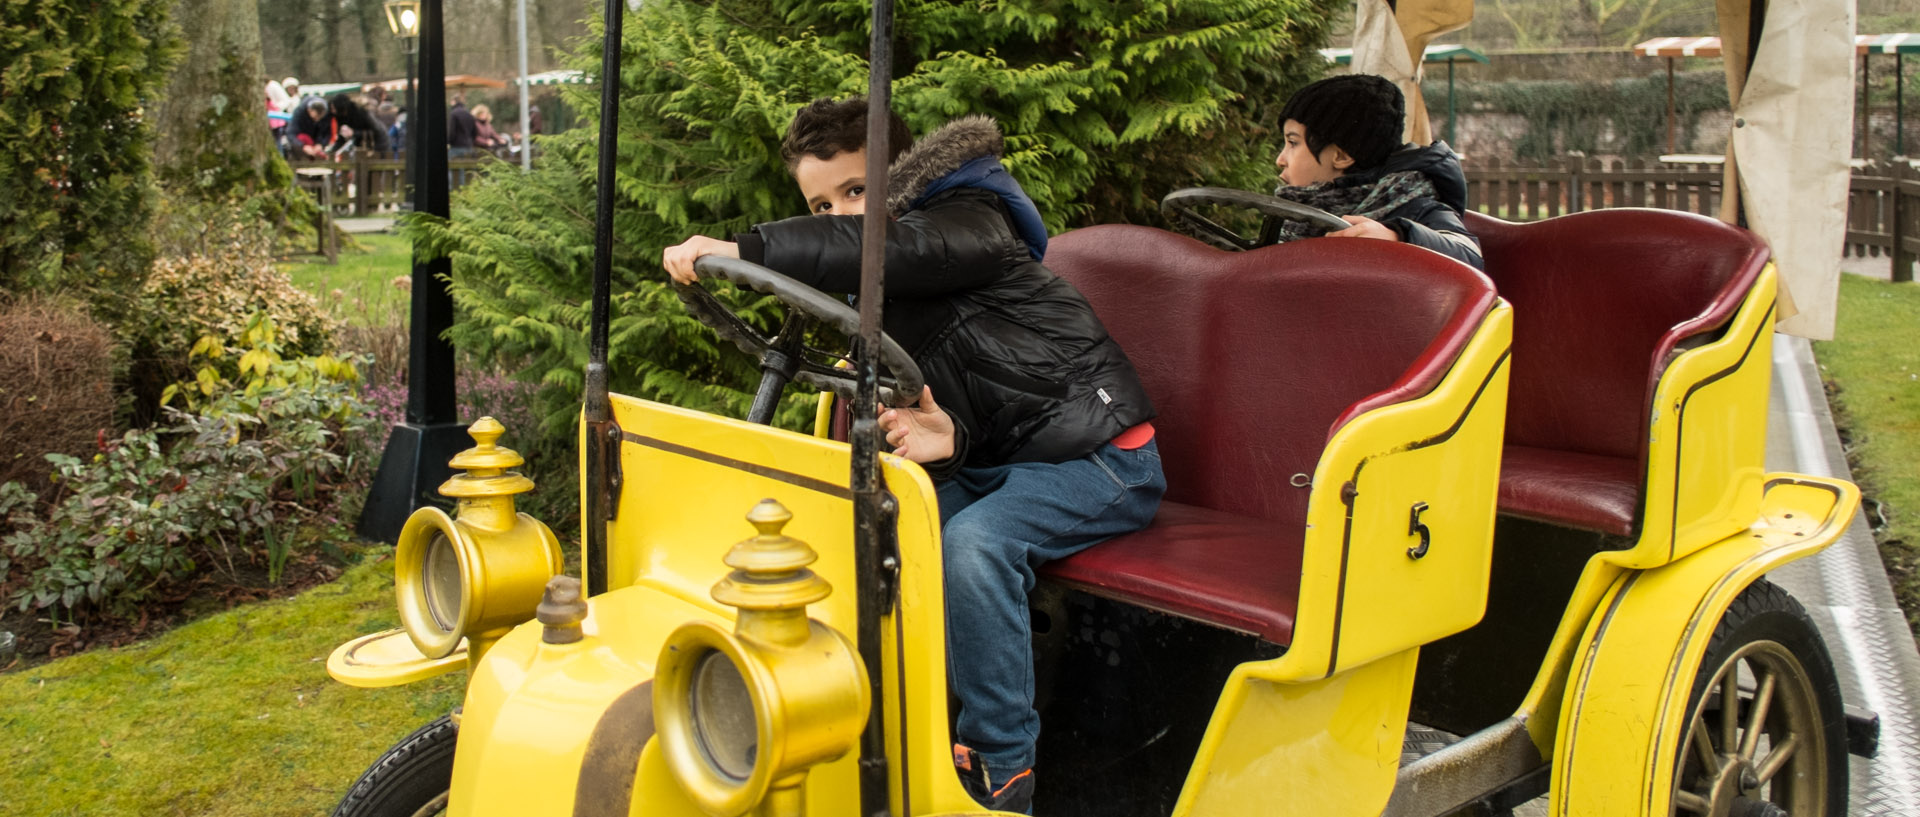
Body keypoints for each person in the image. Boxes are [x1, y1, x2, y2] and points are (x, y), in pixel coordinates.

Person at [662, 98, 1165, 815]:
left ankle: (1001, 765)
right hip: (1010, 457)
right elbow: (989, 390)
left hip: (1104, 458)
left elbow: (903, 248)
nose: (841, 215)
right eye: (821, 202)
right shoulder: (879, 280)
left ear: (898, 178)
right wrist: (951, 437)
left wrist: (752, 248)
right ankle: (873, 721)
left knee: (972, 544)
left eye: (856, 191)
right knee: (875, 529)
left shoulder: (972, 222)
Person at [1267, 74, 1483, 270]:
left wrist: (1398, 237)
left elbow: (1469, 255)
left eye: (1293, 143)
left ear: (1341, 156)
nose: (1280, 160)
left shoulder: (1415, 206)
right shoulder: (1295, 217)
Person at [448, 94, 478, 158]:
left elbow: (452, 132)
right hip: (468, 146)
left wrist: (449, 142)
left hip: (456, 146)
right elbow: (475, 132)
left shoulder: (454, 113)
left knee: (451, 165)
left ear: (453, 101)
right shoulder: (469, 114)